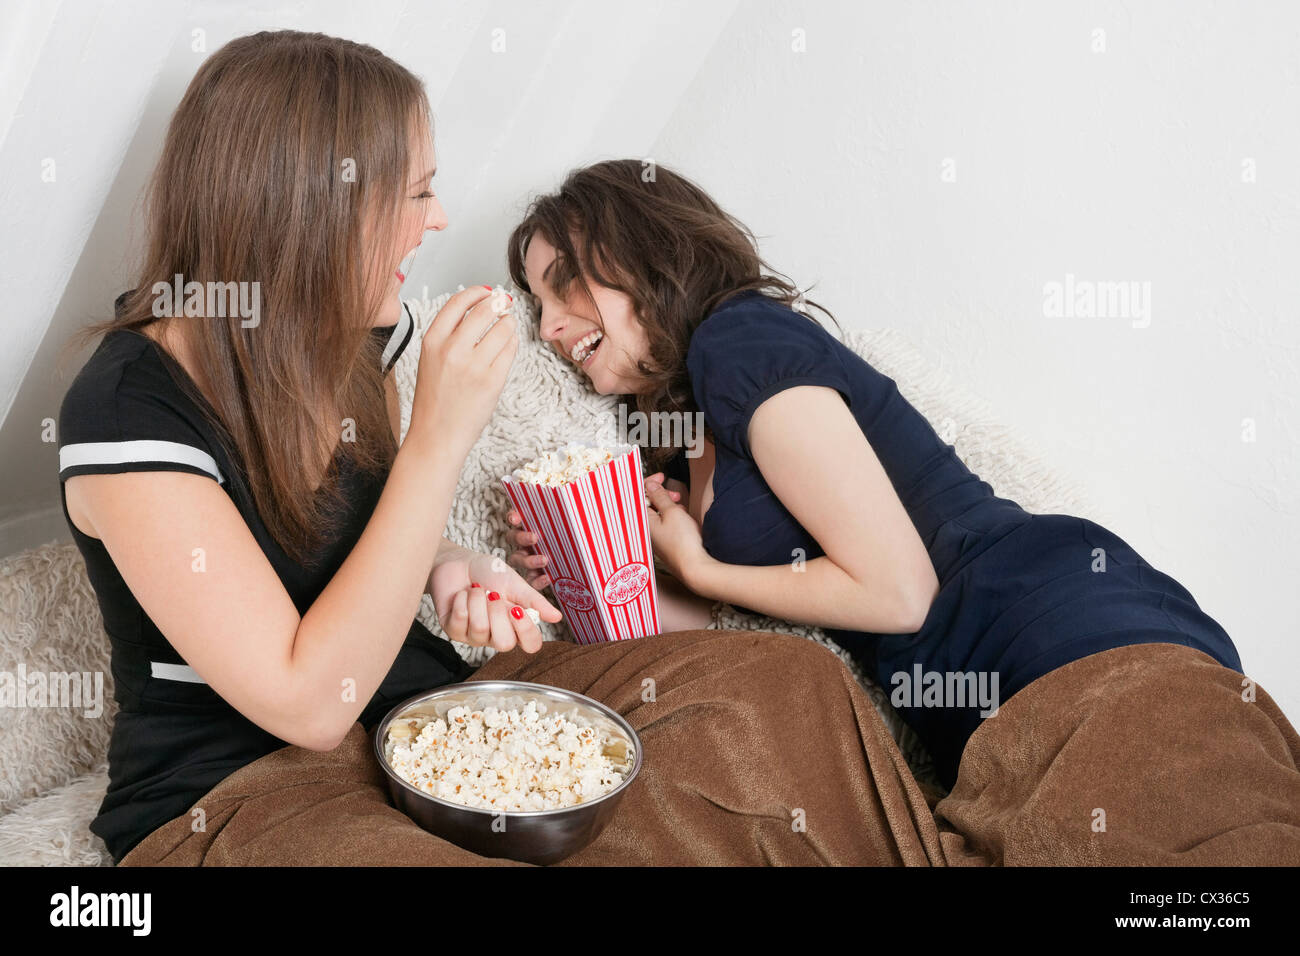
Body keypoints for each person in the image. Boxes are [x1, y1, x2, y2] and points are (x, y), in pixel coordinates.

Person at [504, 159, 1245, 790]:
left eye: (563, 281)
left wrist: (699, 568)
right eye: (535, 303)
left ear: (645, 251)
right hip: (972, 715)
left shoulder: (740, 341)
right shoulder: (683, 436)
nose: (547, 327)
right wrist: (582, 571)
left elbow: (898, 592)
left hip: (1048, 625)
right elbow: (722, 624)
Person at [57, 30, 563, 865]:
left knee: (756, 693)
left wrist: (443, 560)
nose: (438, 220)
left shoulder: (358, 336)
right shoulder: (127, 412)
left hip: (411, 713)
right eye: (415, 194)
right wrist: (441, 438)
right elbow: (310, 703)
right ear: (309, 209)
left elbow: (348, 538)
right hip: (239, 788)